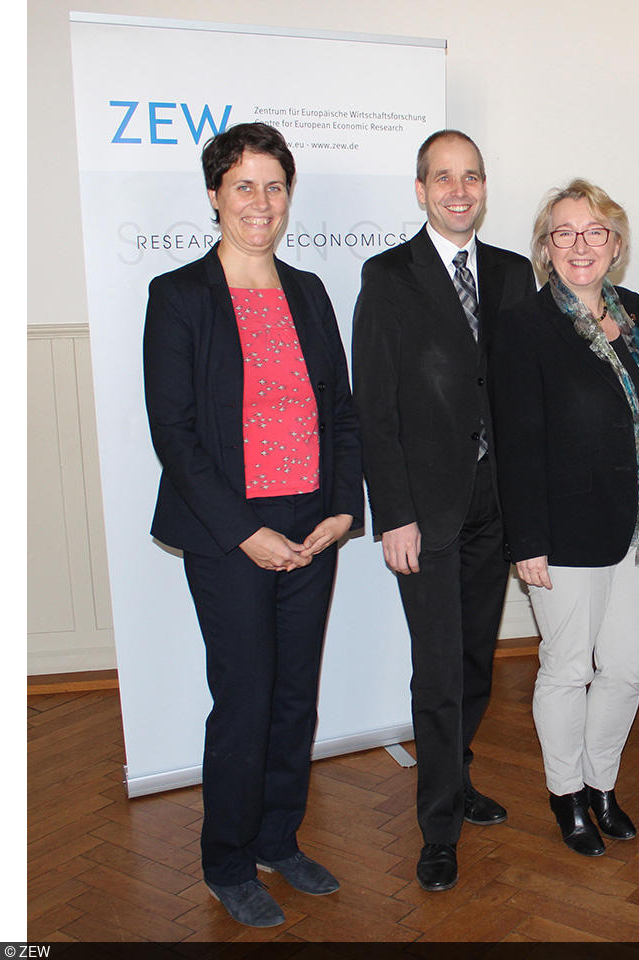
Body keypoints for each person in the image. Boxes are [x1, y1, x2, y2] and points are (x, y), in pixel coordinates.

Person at [143, 122, 363, 927]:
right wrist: (244, 532)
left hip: (312, 528)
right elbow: (177, 435)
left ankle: (278, 838)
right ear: (214, 196)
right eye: (244, 186)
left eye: (274, 186)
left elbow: (340, 412)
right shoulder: (180, 295)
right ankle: (227, 861)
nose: (260, 202)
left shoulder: (308, 290)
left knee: (296, 697)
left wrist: (343, 506)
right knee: (245, 695)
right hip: (229, 534)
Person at [351, 130, 536, 892]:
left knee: (473, 660)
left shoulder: (513, 272)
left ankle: (458, 779)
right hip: (424, 512)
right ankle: (437, 826)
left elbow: (525, 395)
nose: (459, 191)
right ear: (421, 189)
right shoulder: (388, 276)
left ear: (485, 187)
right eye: (443, 178)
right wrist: (393, 514)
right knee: (437, 668)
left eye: (472, 177)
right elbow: (376, 406)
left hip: (496, 503)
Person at [489, 179, 639, 858]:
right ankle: (565, 794)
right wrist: (526, 539)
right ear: (545, 249)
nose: (580, 245)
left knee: (627, 668)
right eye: (564, 233)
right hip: (562, 532)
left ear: (615, 245)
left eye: (595, 231)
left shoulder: (637, 311)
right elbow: (517, 440)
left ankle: (602, 785)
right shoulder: (524, 325)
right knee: (568, 668)